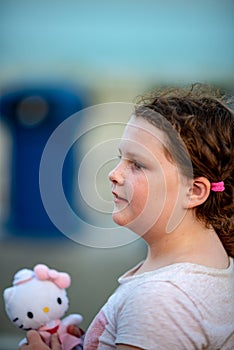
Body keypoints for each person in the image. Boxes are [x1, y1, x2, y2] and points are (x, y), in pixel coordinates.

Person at [20, 84, 234, 350]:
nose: (114, 173)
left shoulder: (160, 301)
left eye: (137, 164)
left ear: (194, 191)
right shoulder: (217, 264)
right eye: (121, 157)